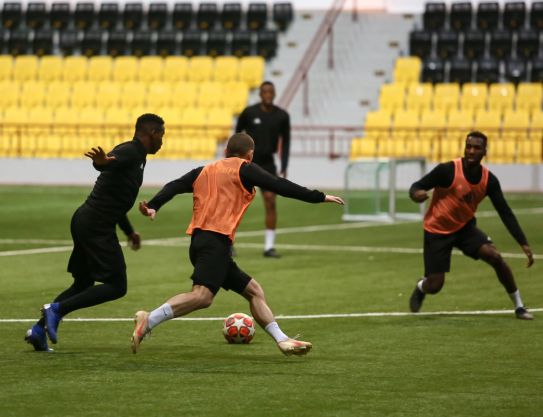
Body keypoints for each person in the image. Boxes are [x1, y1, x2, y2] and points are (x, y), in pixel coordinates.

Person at [132, 132, 344, 356]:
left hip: (200, 242)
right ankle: (149, 320)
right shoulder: (245, 168)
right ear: (249, 155)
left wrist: (154, 204)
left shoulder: (203, 170)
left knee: (254, 291)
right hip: (216, 242)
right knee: (202, 297)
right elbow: (278, 184)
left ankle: (283, 340)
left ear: (225, 152)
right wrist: (318, 197)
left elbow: (174, 185)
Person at [25, 113, 165, 352]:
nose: (163, 142)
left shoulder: (138, 157)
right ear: (152, 133)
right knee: (117, 285)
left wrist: (130, 232)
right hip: (95, 225)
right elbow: (108, 162)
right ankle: (55, 310)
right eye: (162, 135)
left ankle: (39, 331)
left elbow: (116, 198)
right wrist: (101, 162)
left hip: (86, 220)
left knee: (83, 283)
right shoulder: (131, 151)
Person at [408, 131, 535, 320]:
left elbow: (505, 212)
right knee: (435, 285)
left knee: (495, 257)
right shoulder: (447, 170)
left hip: (464, 228)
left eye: (476, 147)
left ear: (485, 151)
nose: (471, 151)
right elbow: (416, 186)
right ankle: (421, 286)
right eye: (468, 146)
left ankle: (519, 306)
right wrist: (416, 194)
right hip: (437, 231)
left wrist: (523, 243)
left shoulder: (489, 180)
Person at [235, 81, 290, 258]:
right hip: (247, 162)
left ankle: (269, 246)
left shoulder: (282, 116)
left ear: (274, 94)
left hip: (267, 163)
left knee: (270, 200)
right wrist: (234, 158)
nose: (267, 94)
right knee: (235, 203)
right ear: (260, 94)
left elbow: (286, 141)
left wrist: (284, 165)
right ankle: (228, 243)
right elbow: (237, 133)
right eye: (264, 91)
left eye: (270, 92)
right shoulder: (249, 112)